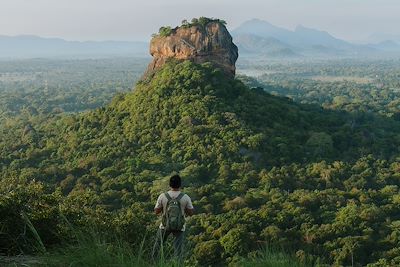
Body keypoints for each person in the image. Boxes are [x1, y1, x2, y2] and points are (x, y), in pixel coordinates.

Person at [152, 174, 194, 261]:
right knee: (178, 251)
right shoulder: (185, 197)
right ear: (180, 185)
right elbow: (191, 213)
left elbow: (156, 211)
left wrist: (163, 207)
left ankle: (153, 263)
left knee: (158, 246)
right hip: (179, 226)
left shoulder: (163, 196)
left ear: (170, 184)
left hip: (164, 225)